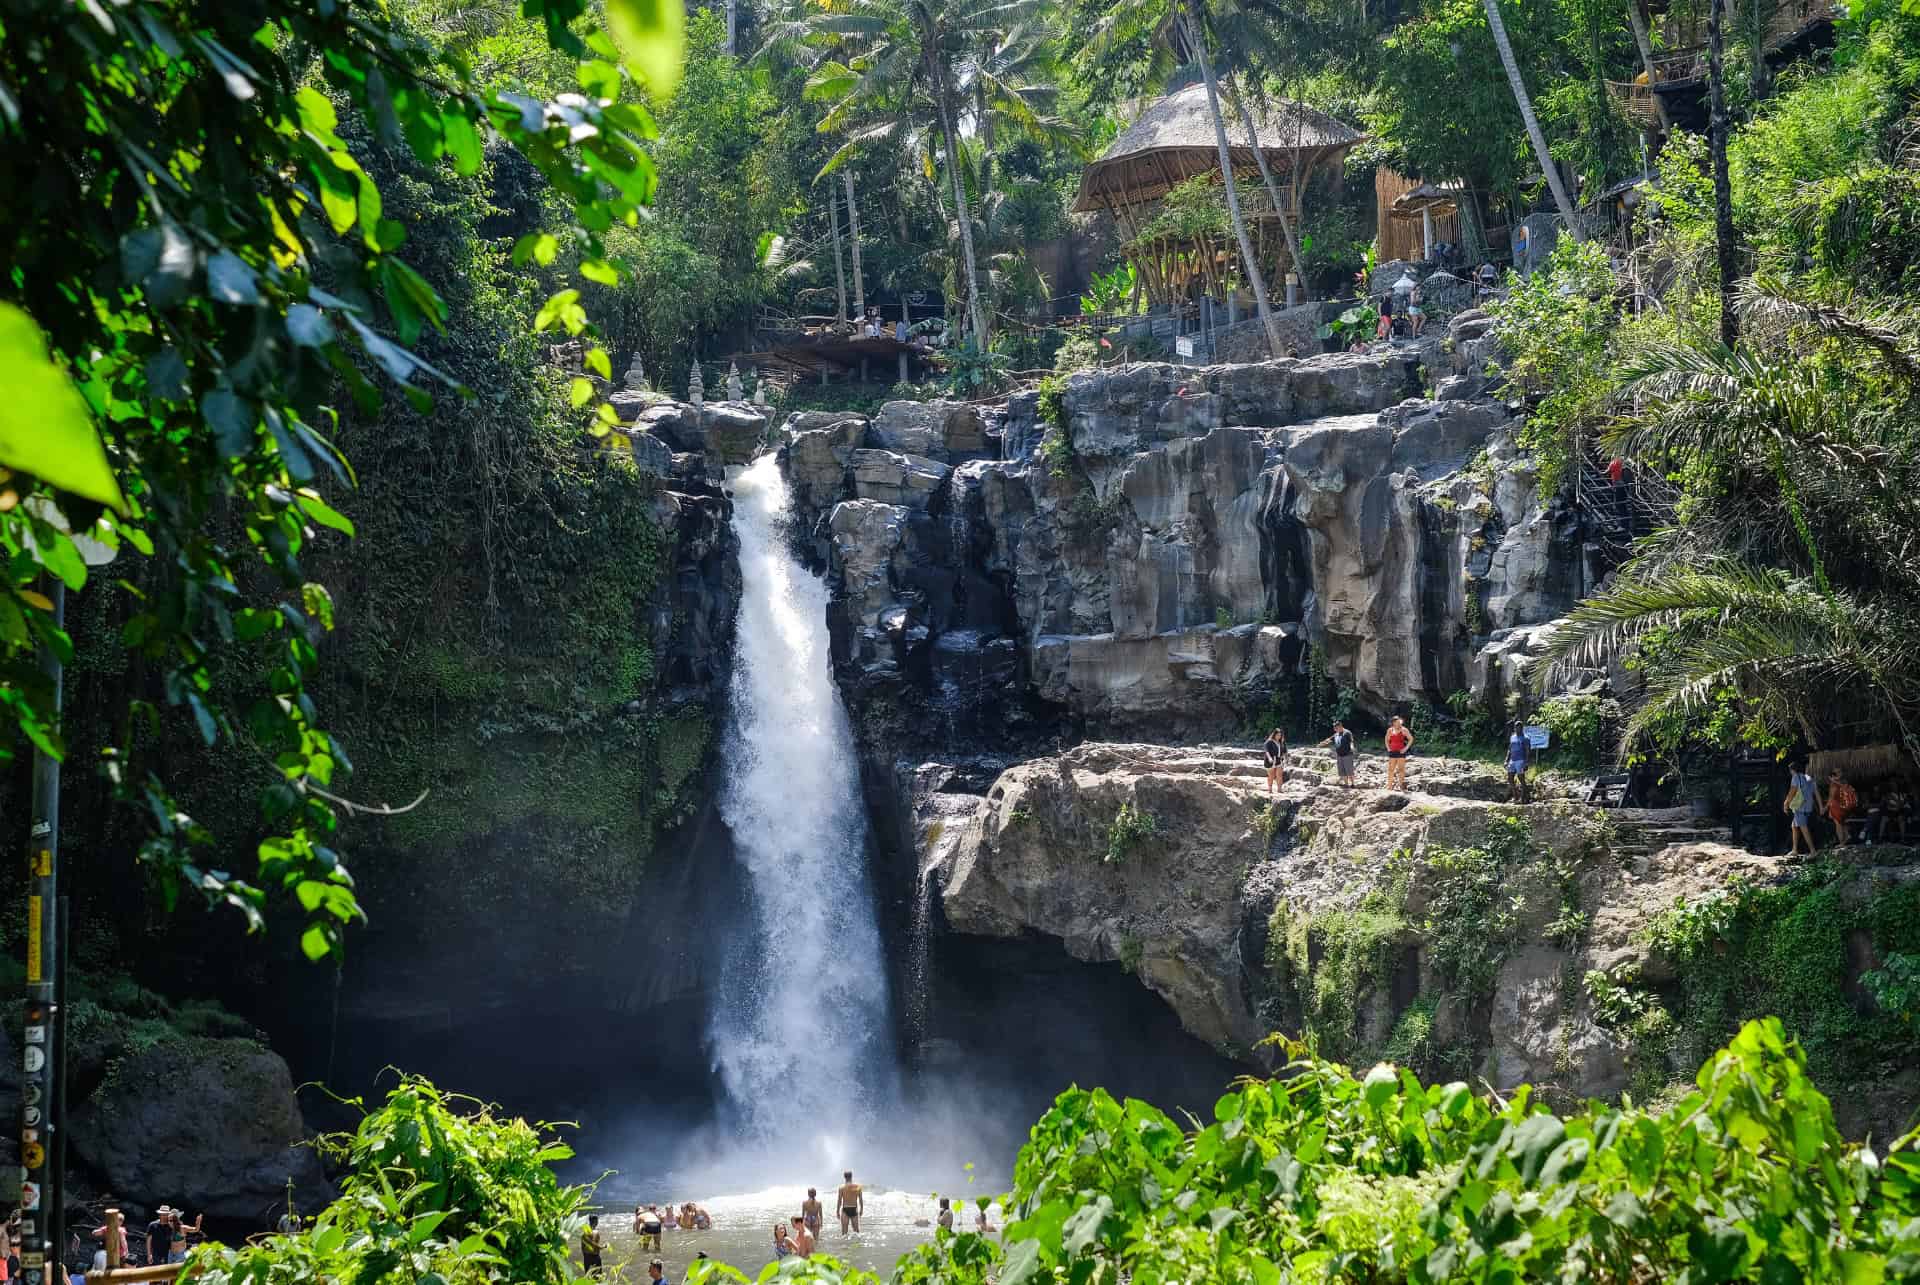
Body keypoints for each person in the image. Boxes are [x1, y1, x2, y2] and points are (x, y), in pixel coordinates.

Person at [1785, 760, 1819, 855]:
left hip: (1800, 807)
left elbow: (1792, 792)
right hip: (1808, 806)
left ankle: (1813, 850)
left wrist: (1786, 804)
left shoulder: (1796, 777)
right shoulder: (1808, 777)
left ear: (1792, 770)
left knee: (1803, 828)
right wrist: (1820, 806)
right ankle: (1795, 849)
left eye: (1790, 771)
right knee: (1794, 826)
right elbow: (1816, 793)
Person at [1318, 722, 1358, 788]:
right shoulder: (1336, 734)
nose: (1335, 730)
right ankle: (1346, 784)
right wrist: (1322, 743)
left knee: (1349, 771)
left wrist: (1352, 747)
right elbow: (1329, 739)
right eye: (1334, 729)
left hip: (1347, 755)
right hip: (1339, 755)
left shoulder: (1347, 733)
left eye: (1336, 728)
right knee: (1342, 771)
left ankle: (1353, 784)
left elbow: (1351, 742)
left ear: (1340, 726)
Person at [1826, 769, 1858, 845]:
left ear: (1831, 777)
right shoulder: (1843, 782)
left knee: (1838, 825)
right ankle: (1847, 836)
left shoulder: (1833, 785)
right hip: (1845, 807)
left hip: (1837, 807)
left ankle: (1842, 842)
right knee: (1842, 823)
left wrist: (1824, 808)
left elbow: (1831, 798)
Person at [1384, 716, 1414, 791]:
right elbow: (1386, 739)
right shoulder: (1390, 730)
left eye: (1399, 722)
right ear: (1393, 722)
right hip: (1392, 751)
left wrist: (1405, 748)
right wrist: (1388, 748)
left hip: (1401, 752)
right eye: (1397, 722)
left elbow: (1411, 739)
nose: (1399, 723)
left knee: (1401, 769)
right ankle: (1389, 786)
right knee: (1391, 769)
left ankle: (1401, 785)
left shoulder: (1404, 730)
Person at [1505, 722, 1532, 804]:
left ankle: (1525, 798)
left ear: (1522, 728)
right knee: (1510, 778)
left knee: (1521, 779)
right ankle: (1516, 796)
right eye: (1516, 727)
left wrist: (1526, 763)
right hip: (1512, 760)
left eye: (1519, 727)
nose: (1517, 729)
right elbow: (1509, 749)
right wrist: (1506, 760)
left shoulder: (1526, 738)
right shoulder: (1512, 737)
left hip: (1521, 760)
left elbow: (1528, 751)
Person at [1262, 728, 1286, 795]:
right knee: (1271, 776)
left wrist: (1284, 758)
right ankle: (1270, 789)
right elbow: (1266, 751)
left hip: (1279, 760)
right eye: (1278, 735)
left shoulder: (1281, 742)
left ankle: (1279, 789)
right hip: (1270, 760)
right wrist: (1269, 758)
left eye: (1280, 735)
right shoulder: (1269, 741)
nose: (1279, 736)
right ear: (1274, 734)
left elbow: (1284, 751)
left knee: (1279, 775)